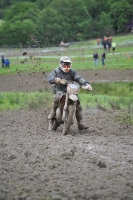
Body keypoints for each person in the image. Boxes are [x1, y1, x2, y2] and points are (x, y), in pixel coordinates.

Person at [47, 56, 92, 130]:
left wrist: (86, 84)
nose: (67, 67)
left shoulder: (72, 72)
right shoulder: (56, 71)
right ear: (61, 65)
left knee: (78, 105)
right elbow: (50, 77)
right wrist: (55, 79)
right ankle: (53, 112)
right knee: (57, 98)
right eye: (65, 65)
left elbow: (78, 78)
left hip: (70, 91)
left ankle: (80, 123)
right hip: (59, 90)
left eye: (68, 65)